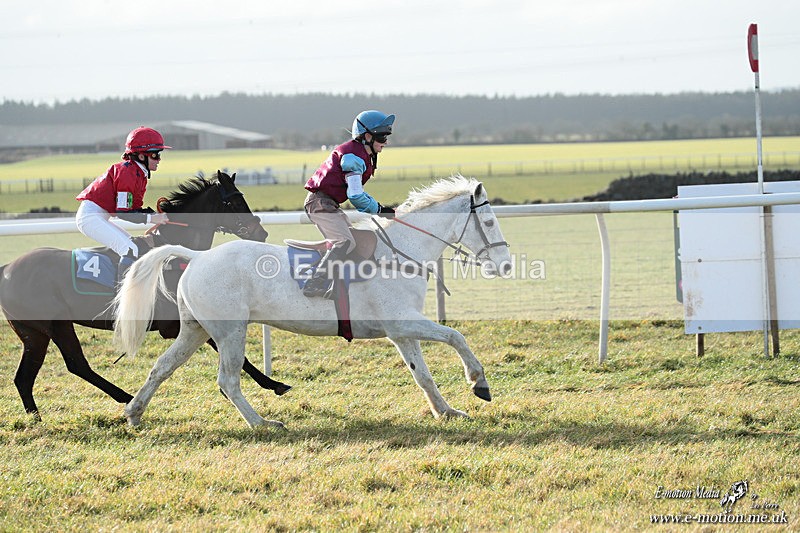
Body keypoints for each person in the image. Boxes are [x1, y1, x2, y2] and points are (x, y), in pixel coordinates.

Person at [301, 110, 397, 297]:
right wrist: (379, 209)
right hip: (320, 203)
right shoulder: (353, 157)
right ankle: (314, 283)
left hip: (328, 204)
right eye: (382, 137)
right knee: (344, 241)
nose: (385, 142)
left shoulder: (359, 154)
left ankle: (341, 283)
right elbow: (355, 195)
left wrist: (378, 208)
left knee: (360, 241)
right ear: (367, 136)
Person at [75, 126, 171, 263]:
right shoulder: (128, 173)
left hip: (99, 216)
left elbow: (134, 210)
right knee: (130, 250)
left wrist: (155, 215)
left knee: (137, 246)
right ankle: (123, 285)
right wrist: (152, 219)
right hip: (90, 218)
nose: (159, 160)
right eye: (155, 155)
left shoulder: (138, 173)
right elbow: (123, 213)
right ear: (142, 156)